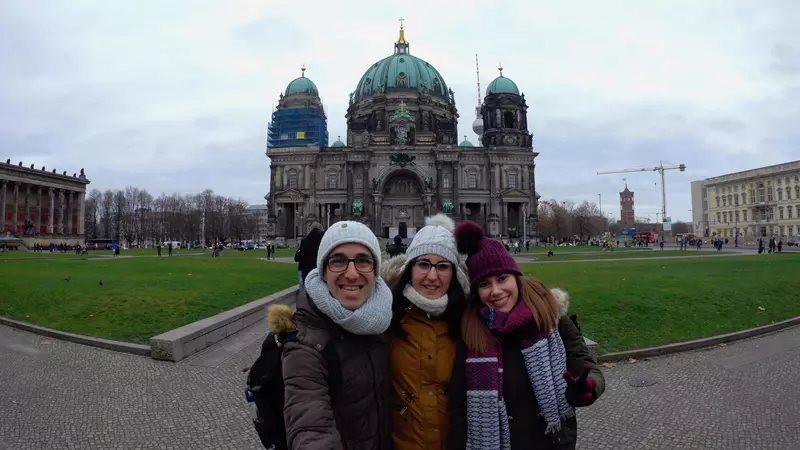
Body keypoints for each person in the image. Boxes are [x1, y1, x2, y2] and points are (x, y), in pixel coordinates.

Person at [449, 221, 605, 450]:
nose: (495, 291)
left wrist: (588, 388)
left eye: (502, 278)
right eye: (484, 284)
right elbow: (458, 408)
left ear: (516, 278)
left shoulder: (551, 317)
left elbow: (585, 364)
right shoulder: (471, 329)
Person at [280, 221, 394, 450]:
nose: (351, 274)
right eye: (338, 261)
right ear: (322, 271)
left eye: (363, 260)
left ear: (375, 270)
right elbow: (310, 425)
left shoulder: (387, 319)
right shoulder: (304, 345)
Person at [380, 214, 470, 450]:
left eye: (442, 266)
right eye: (423, 264)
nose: (432, 276)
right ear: (409, 269)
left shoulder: (471, 322)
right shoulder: (383, 319)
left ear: (455, 273)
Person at [294, 223, 324, 289]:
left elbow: (298, 257)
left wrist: (299, 250)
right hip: (319, 271)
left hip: (305, 270)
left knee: (304, 289)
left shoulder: (304, 241)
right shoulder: (323, 239)